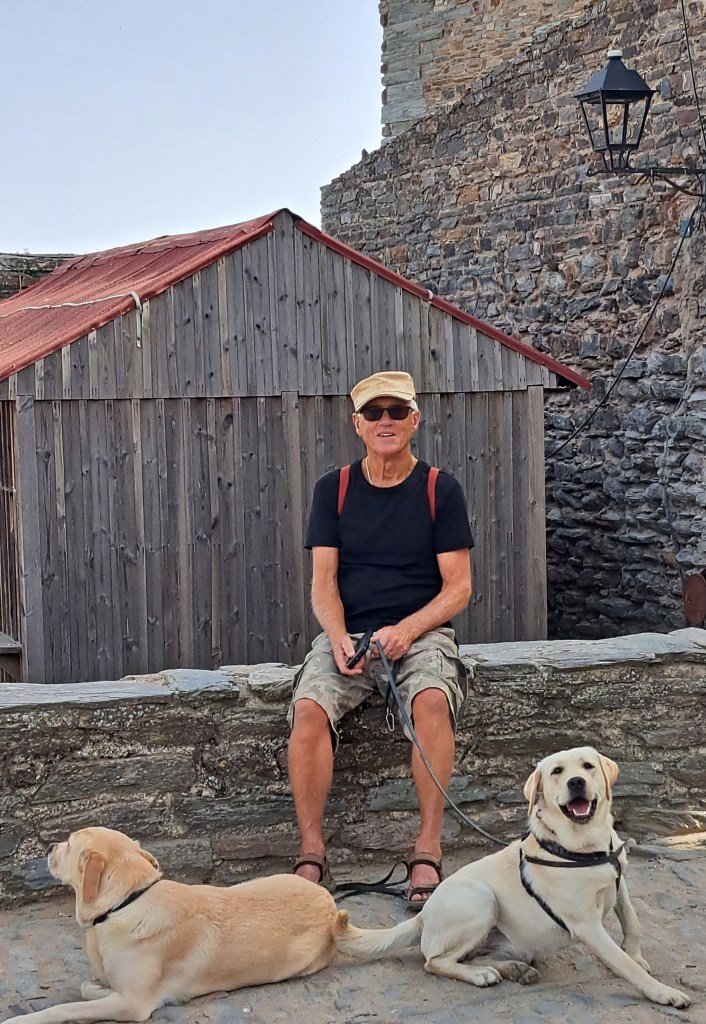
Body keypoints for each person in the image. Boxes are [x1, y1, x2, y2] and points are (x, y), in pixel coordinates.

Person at [287, 371, 474, 907]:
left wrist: (407, 630)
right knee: (308, 710)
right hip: (350, 634)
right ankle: (311, 852)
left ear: (415, 419)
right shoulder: (334, 490)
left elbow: (459, 588)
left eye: (396, 411)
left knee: (432, 701)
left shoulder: (440, 490)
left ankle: (428, 849)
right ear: (358, 424)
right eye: (374, 413)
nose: (385, 421)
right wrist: (338, 639)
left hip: (422, 634)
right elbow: (323, 584)